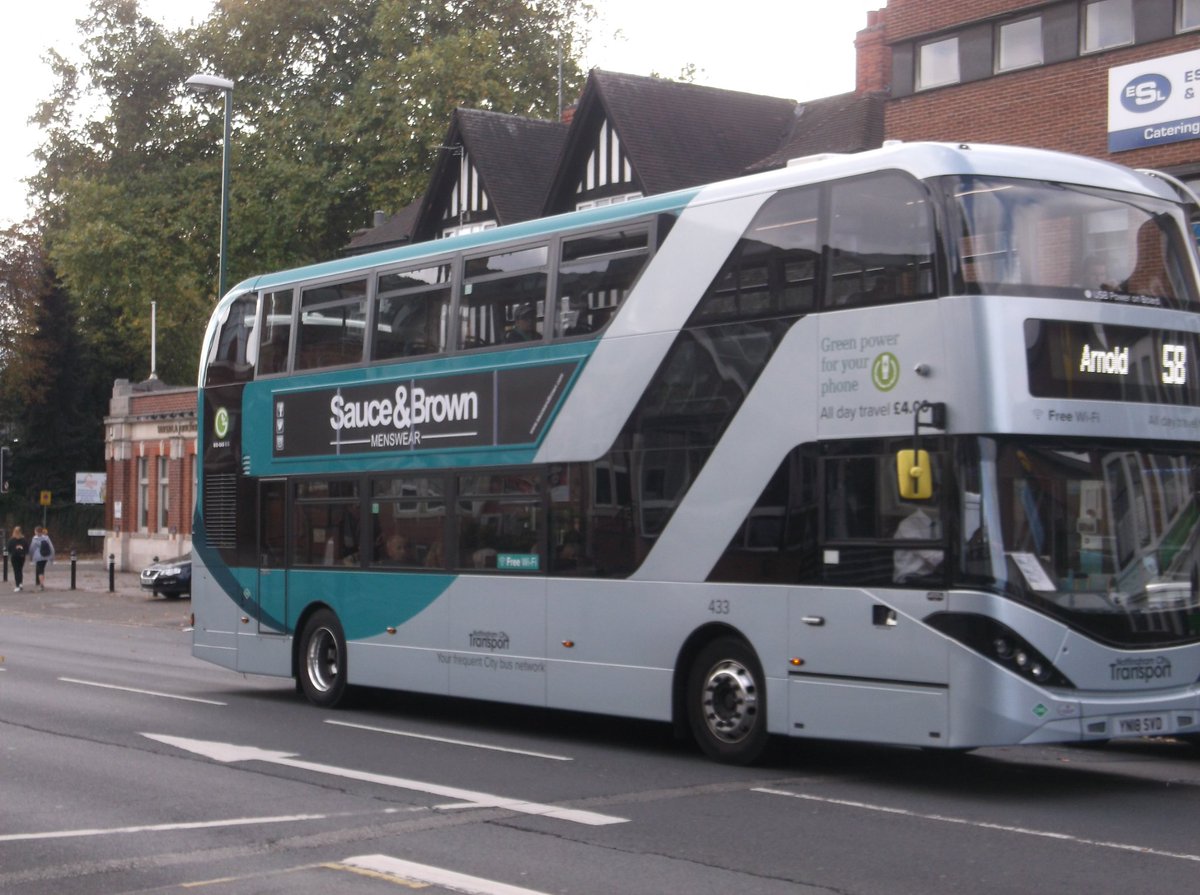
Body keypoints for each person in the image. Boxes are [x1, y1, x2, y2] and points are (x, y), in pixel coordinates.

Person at [893, 505, 943, 583]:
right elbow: (931, 556)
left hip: (930, 574)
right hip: (910, 577)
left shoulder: (937, 522)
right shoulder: (908, 525)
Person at [30, 526, 55, 592]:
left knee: (40, 570)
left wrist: (31, 556)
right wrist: (52, 557)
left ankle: (41, 584)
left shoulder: (34, 539)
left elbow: (32, 548)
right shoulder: (46, 538)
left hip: (38, 557)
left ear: (36, 531)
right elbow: (51, 547)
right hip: (46, 556)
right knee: (42, 569)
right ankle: (41, 582)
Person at [7, 525, 28, 592]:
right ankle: (20, 583)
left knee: (16, 571)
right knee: (20, 570)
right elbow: (27, 548)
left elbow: (8, 549)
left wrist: (12, 552)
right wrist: (23, 553)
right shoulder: (24, 540)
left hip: (14, 557)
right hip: (21, 557)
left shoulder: (11, 540)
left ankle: (17, 585)